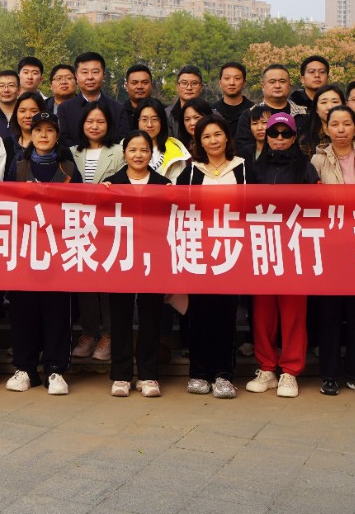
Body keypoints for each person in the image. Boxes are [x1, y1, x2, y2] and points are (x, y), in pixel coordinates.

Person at [310, 105, 355, 398]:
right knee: (329, 312)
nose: (341, 130)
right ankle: (329, 374)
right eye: (335, 124)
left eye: (346, 124)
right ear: (326, 128)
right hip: (329, 246)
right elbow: (313, 201)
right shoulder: (317, 160)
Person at [5, 112, 79, 396]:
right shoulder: (19, 165)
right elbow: (5, 203)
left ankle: (55, 369)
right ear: (30, 134)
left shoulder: (69, 167)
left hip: (59, 250)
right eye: (38, 130)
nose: (44, 135)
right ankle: (25, 368)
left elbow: (79, 206)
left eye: (49, 130)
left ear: (57, 135)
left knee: (57, 310)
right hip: (24, 248)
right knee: (23, 309)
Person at [244, 111, 315, 399]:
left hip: (295, 248)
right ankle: (267, 368)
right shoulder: (254, 168)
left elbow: (317, 206)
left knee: (293, 311)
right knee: (263, 312)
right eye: (274, 133)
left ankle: (290, 371)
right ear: (266, 135)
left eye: (286, 134)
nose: (280, 138)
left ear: (295, 137)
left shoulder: (306, 168)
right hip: (262, 247)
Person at [177, 114, 245, 399]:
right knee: (199, 313)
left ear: (227, 137)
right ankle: (198, 372)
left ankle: (223, 374)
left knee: (225, 314)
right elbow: (175, 209)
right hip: (199, 251)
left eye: (217, 134)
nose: (213, 141)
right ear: (199, 142)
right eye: (206, 136)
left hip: (233, 251)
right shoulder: (191, 173)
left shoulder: (244, 169)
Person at [103, 132, 170, 397]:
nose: (138, 155)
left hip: (153, 259)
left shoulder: (164, 184)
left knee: (151, 316)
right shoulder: (112, 183)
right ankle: (121, 375)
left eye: (144, 150)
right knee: (120, 317)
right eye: (133, 150)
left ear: (151, 154)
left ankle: (148, 375)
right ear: (124, 153)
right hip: (121, 258)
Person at [57, 52, 124, 148]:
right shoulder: (65, 108)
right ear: (76, 76)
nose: (90, 77)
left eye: (95, 72)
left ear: (104, 75)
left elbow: (122, 140)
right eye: (84, 72)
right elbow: (64, 139)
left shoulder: (118, 109)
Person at [133, 98, 190, 181]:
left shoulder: (175, 152)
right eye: (144, 119)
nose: (149, 125)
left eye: (154, 119)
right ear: (137, 122)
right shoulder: (124, 147)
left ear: (162, 122)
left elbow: (176, 186)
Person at [297, 85, 345, 156]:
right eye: (324, 102)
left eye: (335, 102)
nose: (329, 107)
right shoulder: (306, 140)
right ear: (316, 109)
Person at [165, 65, 205, 140]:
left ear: (201, 87)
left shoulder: (212, 114)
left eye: (194, 83)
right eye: (184, 83)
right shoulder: (166, 116)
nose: (189, 88)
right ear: (177, 87)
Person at [292, 55, 330, 120]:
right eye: (311, 72)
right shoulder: (293, 103)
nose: (317, 75)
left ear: (328, 78)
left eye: (322, 72)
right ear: (302, 79)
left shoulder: (335, 102)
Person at [120, 63, 154, 132]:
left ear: (151, 85)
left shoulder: (164, 112)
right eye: (134, 83)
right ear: (126, 86)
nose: (139, 87)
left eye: (144, 82)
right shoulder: (118, 113)